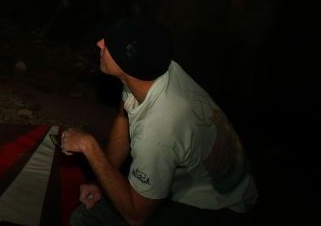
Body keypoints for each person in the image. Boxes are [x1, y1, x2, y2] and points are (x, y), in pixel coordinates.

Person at [61, 18, 257, 226]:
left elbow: (136, 216)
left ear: (127, 64)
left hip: (215, 205)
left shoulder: (157, 130)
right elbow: (123, 116)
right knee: (85, 215)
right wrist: (101, 183)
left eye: (109, 44)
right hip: (189, 178)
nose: (100, 43)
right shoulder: (151, 72)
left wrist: (89, 146)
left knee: (84, 221)